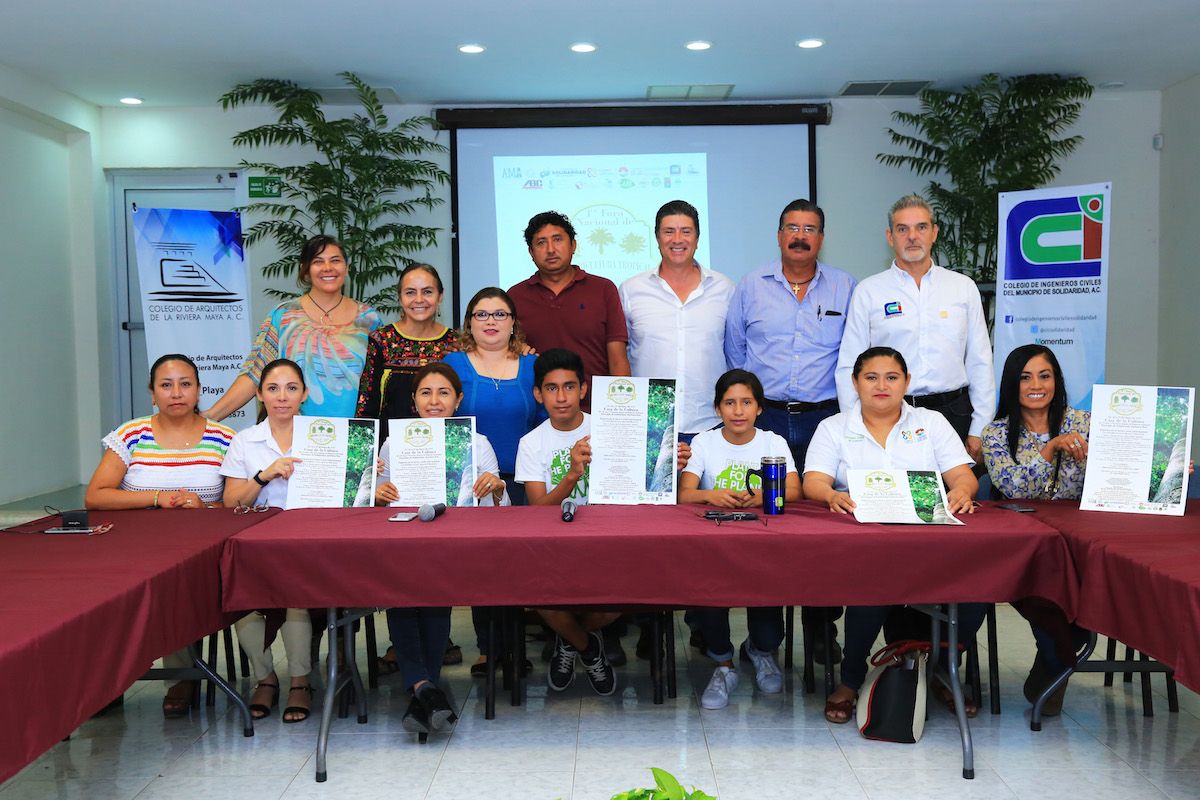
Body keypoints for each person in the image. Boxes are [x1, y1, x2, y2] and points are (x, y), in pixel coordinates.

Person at [804, 347, 983, 723]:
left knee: (977, 588)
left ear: (907, 382)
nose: (881, 385)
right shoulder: (834, 427)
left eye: (891, 377)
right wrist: (831, 494)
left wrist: (964, 490)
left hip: (931, 542)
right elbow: (813, 482)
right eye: (871, 377)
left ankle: (940, 670)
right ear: (855, 383)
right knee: (871, 587)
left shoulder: (931, 422)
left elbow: (962, 475)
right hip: (864, 543)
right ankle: (851, 680)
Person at [725, 198, 857, 660]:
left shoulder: (846, 287)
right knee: (767, 524)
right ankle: (767, 633)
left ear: (821, 237)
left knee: (826, 528)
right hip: (769, 420)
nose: (801, 235)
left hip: (826, 419)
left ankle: (823, 629)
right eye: (792, 227)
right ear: (779, 235)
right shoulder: (751, 286)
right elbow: (735, 353)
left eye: (811, 228)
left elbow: (854, 356)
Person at [85, 353, 236, 717]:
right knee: (110, 592)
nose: (176, 393)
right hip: (134, 547)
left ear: (200, 391)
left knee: (175, 584)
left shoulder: (225, 438)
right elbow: (96, 496)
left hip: (202, 549)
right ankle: (111, 679)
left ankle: (179, 676)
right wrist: (156, 498)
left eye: (185, 384)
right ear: (152, 394)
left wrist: (204, 508)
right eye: (166, 385)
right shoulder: (131, 434)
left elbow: (237, 505)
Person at [373, 362, 510, 735]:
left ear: (459, 399)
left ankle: (421, 688)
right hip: (404, 542)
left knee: (432, 591)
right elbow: (376, 504)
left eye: (444, 393)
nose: (434, 401)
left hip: (456, 542)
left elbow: (501, 507)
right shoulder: (392, 441)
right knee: (402, 589)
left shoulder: (476, 442)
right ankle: (426, 690)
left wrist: (495, 487)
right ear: (414, 402)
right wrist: (380, 496)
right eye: (426, 393)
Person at [835, 195, 994, 465]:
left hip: (953, 413)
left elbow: (980, 360)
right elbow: (850, 363)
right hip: (889, 414)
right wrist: (856, 425)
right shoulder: (869, 291)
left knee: (952, 499)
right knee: (893, 497)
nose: (912, 236)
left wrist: (980, 428)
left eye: (921, 227)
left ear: (934, 232)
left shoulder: (962, 287)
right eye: (902, 229)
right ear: (890, 236)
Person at [679, 369, 799, 710]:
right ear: (717, 409)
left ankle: (760, 652)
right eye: (729, 403)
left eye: (746, 402)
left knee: (768, 613)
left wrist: (763, 495)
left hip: (764, 546)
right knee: (711, 599)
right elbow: (684, 495)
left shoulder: (773, 441)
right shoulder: (704, 441)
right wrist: (710, 495)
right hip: (714, 546)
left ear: (759, 408)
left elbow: (796, 489)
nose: (738, 410)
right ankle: (723, 665)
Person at [442, 287, 544, 675]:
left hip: (522, 481)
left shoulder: (533, 366)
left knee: (517, 568)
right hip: (470, 484)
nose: (490, 322)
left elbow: (541, 422)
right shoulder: (453, 363)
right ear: (469, 321)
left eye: (499, 314)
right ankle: (487, 648)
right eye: (481, 314)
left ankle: (515, 648)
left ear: (513, 321)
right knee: (482, 567)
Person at [515, 348, 618, 695]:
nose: (561, 397)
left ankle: (569, 641)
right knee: (534, 592)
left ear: (584, 389)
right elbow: (537, 509)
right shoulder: (531, 443)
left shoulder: (610, 429)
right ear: (538, 394)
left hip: (607, 538)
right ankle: (588, 648)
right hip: (553, 543)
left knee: (632, 593)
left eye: (570, 387)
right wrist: (572, 476)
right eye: (552, 388)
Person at [219, 359, 315, 723]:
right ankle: (265, 677)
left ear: (304, 394)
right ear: (259, 394)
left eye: (292, 388)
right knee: (240, 597)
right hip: (258, 541)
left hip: (310, 541)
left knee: (295, 595)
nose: (282, 396)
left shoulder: (325, 435)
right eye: (272, 388)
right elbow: (231, 503)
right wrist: (263, 476)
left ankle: (301, 681)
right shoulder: (244, 441)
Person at [205, 234, 381, 421]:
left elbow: (382, 383)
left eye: (335, 260)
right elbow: (255, 372)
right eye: (318, 261)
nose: (328, 268)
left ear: (346, 268)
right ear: (305, 271)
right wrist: (210, 416)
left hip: (355, 437)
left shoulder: (369, 319)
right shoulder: (283, 316)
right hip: (293, 434)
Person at [620, 200, 734, 442]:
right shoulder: (631, 290)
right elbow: (621, 354)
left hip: (711, 424)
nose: (677, 239)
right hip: (648, 427)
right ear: (657, 238)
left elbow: (735, 353)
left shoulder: (724, 288)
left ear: (697, 238)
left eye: (686, 231)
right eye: (669, 231)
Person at [507, 211, 630, 407]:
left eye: (557, 239)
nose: (550, 249)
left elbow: (618, 361)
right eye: (541, 242)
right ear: (531, 252)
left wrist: (621, 410)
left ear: (573, 245)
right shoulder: (515, 296)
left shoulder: (603, 289)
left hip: (596, 412)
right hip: (536, 414)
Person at [356, 263, 459, 425]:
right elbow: (366, 406)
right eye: (410, 292)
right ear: (400, 297)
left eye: (427, 292)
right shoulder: (381, 341)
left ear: (440, 297)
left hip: (445, 445)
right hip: (390, 446)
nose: (419, 299)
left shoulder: (455, 343)